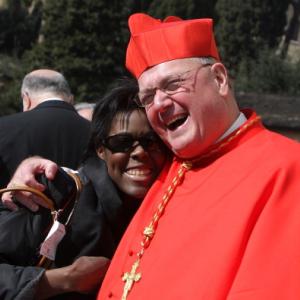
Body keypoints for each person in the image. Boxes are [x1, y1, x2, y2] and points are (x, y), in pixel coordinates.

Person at [4, 13, 300, 300]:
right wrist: (34, 175)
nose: (159, 104)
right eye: (148, 96)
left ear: (220, 79)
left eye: (173, 84)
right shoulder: (173, 161)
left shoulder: (285, 168)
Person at [0, 78, 168, 299]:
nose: (139, 153)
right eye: (122, 142)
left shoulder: (173, 202)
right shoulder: (55, 192)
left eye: (151, 141)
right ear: (101, 149)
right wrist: (65, 279)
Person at [0, 69, 90, 187]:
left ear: (26, 99)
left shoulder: (3, 127)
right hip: (82, 204)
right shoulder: (98, 131)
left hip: (15, 204)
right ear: (71, 99)